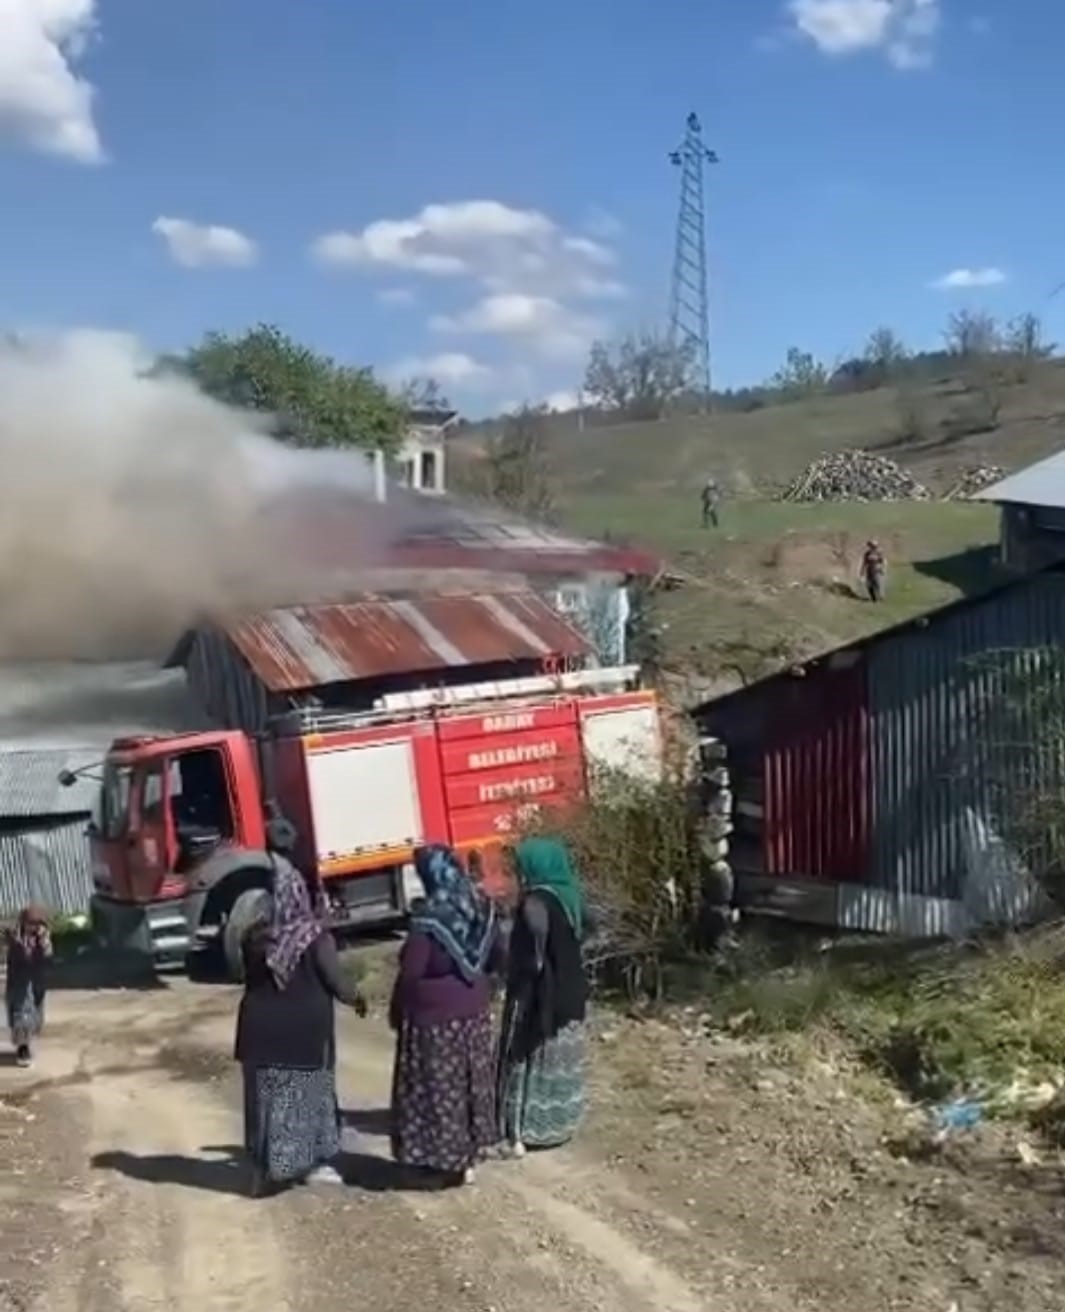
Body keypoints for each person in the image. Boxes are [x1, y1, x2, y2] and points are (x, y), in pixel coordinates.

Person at [234, 819, 368, 1198]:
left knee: (266, 1105)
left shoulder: (255, 938)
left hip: (260, 1035)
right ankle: (312, 1165)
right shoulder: (313, 937)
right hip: (304, 1036)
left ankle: (264, 1170)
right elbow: (336, 982)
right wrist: (357, 999)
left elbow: (248, 978)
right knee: (310, 1099)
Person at [390, 844, 502, 1189]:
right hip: (474, 1013)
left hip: (435, 1020)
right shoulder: (480, 907)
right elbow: (498, 955)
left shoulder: (429, 919)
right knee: (469, 1084)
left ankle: (443, 1164)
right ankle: (469, 1155)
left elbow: (411, 971)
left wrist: (397, 1008)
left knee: (439, 1091)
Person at [497, 837, 590, 1155]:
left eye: (522, 867)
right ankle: (560, 1125)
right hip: (571, 991)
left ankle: (521, 1131)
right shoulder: (569, 895)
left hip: (539, 995)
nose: (519, 874)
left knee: (526, 1057)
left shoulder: (535, 903)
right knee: (561, 1056)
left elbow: (534, 957)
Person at [5, 906, 52, 1068]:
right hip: (19, 981)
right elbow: (19, 955)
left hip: (37, 981)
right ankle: (22, 1048)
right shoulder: (16, 937)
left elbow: (48, 955)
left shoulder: (43, 937)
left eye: (37, 923)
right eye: (30, 923)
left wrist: (43, 942)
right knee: (22, 1013)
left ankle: (26, 1043)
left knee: (35, 1016)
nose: (33, 927)